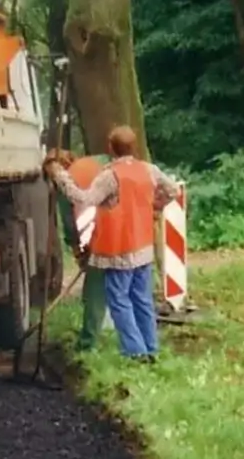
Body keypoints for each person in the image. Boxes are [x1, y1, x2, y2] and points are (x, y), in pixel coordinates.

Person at [44, 126, 179, 362]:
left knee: (119, 299)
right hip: (143, 247)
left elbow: (83, 198)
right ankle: (151, 348)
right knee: (142, 300)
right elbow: (173, 190)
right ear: (134, 147)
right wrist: (155, 207)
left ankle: (135, 352)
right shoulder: (148, 170)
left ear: (110, 147)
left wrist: (59, 176)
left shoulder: (110, 176)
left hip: (119, 250)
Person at [55, 153, 110, 351]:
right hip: (119, 231)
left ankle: (88, 344)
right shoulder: (96, 163)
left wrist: (78, 251)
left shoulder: (65, 181)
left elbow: (70, 223)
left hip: (99, 239)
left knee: (94, 291)